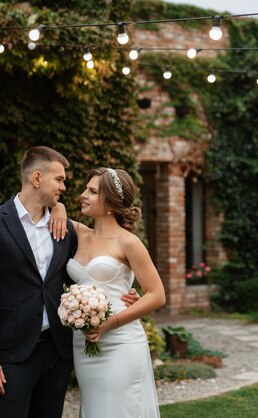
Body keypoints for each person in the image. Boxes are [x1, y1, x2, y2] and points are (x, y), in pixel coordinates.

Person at [0, 146, 138, 418]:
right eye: (59, 179)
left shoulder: (65, 228)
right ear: (36, 178)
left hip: (56, 354)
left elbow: (87, 270)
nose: (65, 187)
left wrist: (125, 292)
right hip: (10, 357)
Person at [67, 167, 165, 418]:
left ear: (110, 201)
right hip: (84, 341)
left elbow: (157, 294)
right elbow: (52, 212)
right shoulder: (79, 233)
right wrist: (57, 208)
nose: (82, 195)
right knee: (94, 409)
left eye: (91, 191)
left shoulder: (128, 242)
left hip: (120, 342)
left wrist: (109, 324)